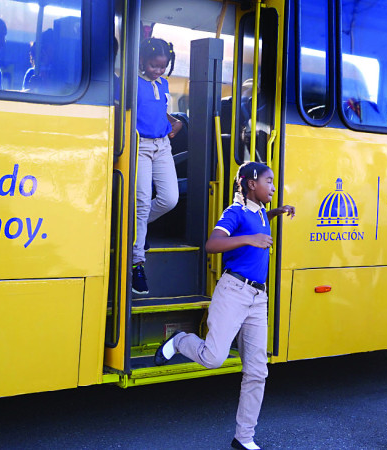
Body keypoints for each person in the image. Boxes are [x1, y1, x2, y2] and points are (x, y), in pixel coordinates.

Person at [154, 161, 295, 450]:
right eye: (268, 181)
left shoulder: (258, 214)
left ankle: (244, 437)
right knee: (214, 358)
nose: (273, 186)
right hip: (233, 291)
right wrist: (251, 239)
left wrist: (276, 213)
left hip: (258, 298)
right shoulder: (235, 212)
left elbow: (256, 223)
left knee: (257, 371)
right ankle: (181, 340)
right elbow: (213, 244)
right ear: (251, 184)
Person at [131, 37, 183, 294]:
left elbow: (161, 112)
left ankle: (135, 229)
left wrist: (176, 122)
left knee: (169, 199)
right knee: (141, 201)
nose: (159, 71)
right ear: (142, 60)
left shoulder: (163, 83)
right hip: (139, 146)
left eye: (163, 67)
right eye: (154, 66)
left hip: (162, 146)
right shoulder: (130, 82)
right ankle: (137, 262)